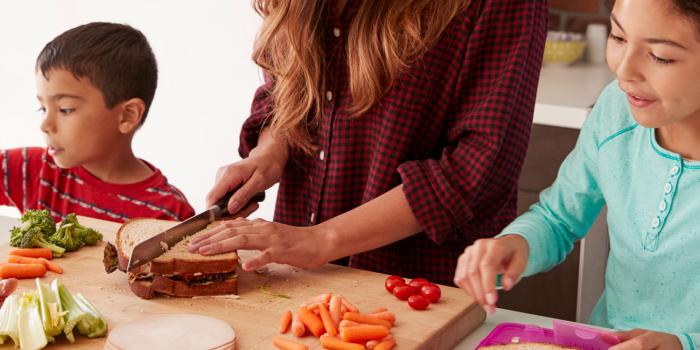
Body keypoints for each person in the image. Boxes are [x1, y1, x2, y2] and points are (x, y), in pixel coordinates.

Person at [189, 0, 547, 285]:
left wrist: (323, 239)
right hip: (297, 279)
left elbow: (477, 168)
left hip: (414, 287)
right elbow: (285, 88)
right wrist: (270, 151)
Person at [453, 0, 700, 349]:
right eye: (618, 37)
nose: (624, 70)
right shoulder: (617, 109)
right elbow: (558, 218)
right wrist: (516, 244)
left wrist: (683, 344)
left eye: (660, 56)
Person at [0, 22, 195, 223]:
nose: (45, 124)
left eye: (65, 109)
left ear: (127, 116)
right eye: (43, 109)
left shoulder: (169, 214)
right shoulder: (33, 170)